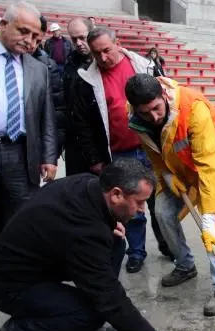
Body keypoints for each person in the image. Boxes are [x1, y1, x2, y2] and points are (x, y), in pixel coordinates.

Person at [0, 159, 200, 331]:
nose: (142, 210)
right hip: (11, 285)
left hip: (39, 263)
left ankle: (91, 316)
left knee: (115, 242)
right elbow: (108, 295)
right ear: (116, 194)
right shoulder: (86, 232)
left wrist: (109, 223)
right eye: (139, 202)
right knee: (93, 313)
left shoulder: (90, 183)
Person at [125, 74, 215, 316]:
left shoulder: (193, 109)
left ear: (163, 96)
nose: (154, 117)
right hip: (178, 170)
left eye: (157, 109)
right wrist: (167, 176)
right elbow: (155, 154)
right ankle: (185, 265)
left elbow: (209, 163)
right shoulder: (137, 118)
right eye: (146, 113)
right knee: (163, 213)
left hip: (213, 164)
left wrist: (208, 216)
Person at [74, 27, 171, 273]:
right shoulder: (86, 79)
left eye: (107, 50)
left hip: (150, 149)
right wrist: (95, 158)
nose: (103, 58)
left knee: (159, 204)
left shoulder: (144, 66)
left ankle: (168, 246)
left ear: (117, 43)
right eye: (97, 54)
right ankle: (136, 252)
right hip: (119, 154)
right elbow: (83, 123)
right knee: (131, 209)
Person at [0, 1, 58, 249]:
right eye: (24, 31)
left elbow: (46, 116)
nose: (30, 41)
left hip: (21, 152)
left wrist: (49, 156)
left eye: (36, 37)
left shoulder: (39, 69)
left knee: (20, 216)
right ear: (3, 24)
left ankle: (8, 274)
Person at [63, 17, 94, 174]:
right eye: (74, 39)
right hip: (74, 142)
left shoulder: (102, 63)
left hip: (97, 143)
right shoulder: (69, 64)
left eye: (82, 37)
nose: (79, 43)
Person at [31, 16, 65, 157]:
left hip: (37, 140)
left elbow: (57, 108)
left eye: (37, 41)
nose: (31, 44)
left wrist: (54, 147)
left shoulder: (48, 65)